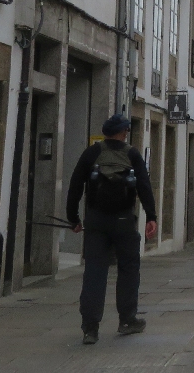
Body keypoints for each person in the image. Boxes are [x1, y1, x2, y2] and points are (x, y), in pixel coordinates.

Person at [67, 114, 158, 345]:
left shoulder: (92, 153)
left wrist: (73, 218)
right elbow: (144, 185)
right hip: (124, 220)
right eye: (127, 130)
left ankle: (90, 328)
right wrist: (151, 216)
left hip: (96, 220)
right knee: (128, 269)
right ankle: (127, 319)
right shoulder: (132, 154)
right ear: (123, 131)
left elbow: (76, 184)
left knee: (94, 272)